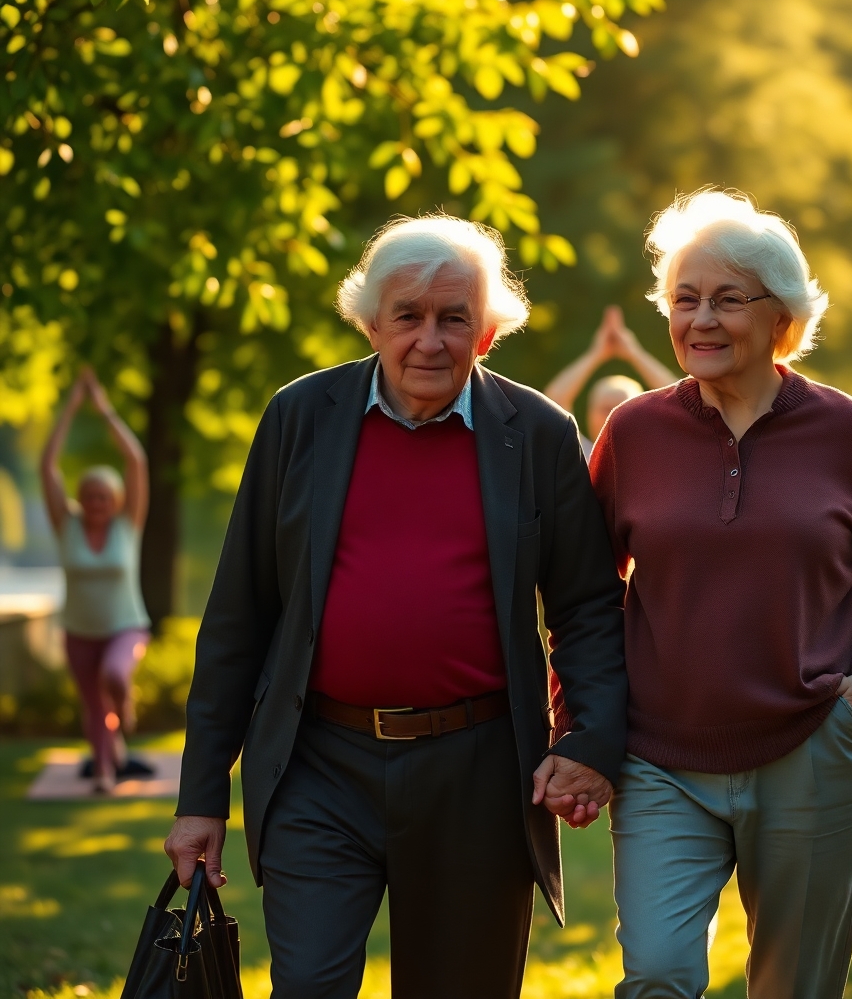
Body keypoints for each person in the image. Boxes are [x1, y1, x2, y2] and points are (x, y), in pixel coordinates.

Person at [164, 214, 628, 999]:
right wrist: (202, 796)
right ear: (371, 323)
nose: (429, 340)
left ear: (485, 334)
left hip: (479, 771)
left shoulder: (540, 435)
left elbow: (587, 606)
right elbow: (240, 616)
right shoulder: (298, 418)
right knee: (307, 986)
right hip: (319, 764)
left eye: (454, 319)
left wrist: (592, 740)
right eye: (407, 317)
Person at [590, 189, 852, 999]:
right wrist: (580, 727)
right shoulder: (636, 433)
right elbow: (586, 596)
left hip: (811, 751)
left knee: (795, 986)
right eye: (684, 300)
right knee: (655, 973)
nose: (701, 319)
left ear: (781, 317)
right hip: (660, 761)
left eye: (728, 299)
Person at [41, 367, 151, 793]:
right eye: (88, 496)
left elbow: (136, 461)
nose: (95, 503)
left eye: (103, 497)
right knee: (91, 705)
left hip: (125, 625)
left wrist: (103, 409)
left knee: (116, 677)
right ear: (79, 499)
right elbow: (48, 464)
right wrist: (70, 409)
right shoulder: (66, 525)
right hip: (78, 630)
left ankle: (126, 706)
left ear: (116, 500)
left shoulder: (128, 525)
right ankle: (105, 771)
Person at [545, 304, 677, 458]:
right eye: (606, 408)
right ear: (589, 414)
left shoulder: (657, 456)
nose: (613, 415)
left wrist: (635, 353)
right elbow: (554, 401)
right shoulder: (579, 456)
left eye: (622, 407)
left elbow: (679, 399)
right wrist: (595, 354)